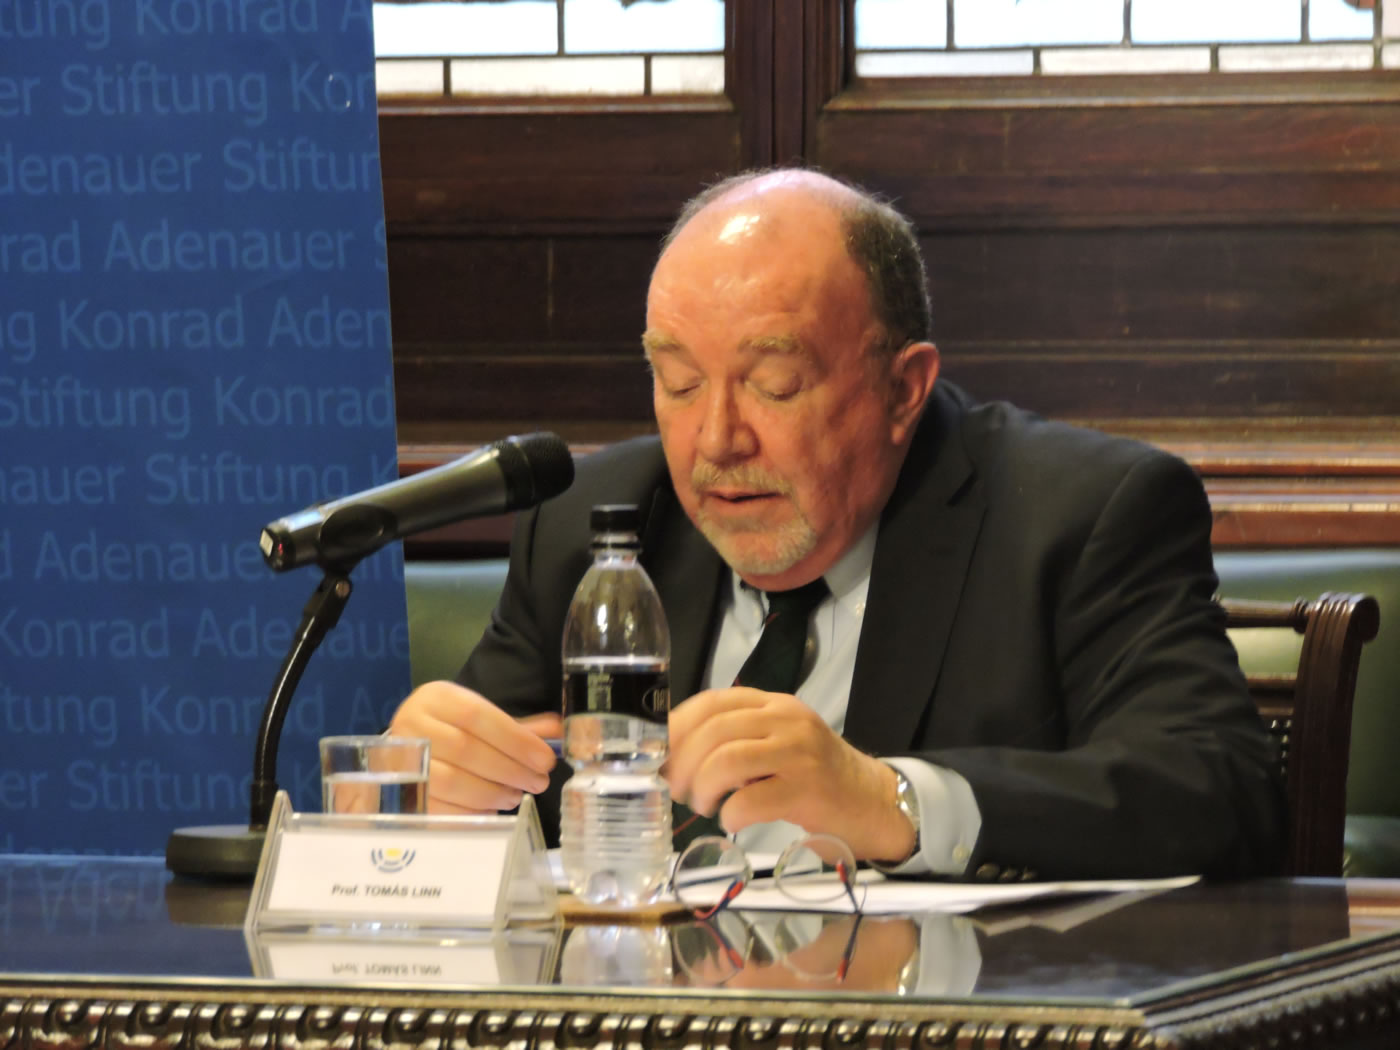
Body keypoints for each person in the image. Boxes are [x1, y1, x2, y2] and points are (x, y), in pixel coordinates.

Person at [390, 168, 1285, 880]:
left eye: (775, 386)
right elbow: (493, 805)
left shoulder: (1075, 516)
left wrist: (889, 799)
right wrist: (422, 794)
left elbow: (1220, 791)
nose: (717, 440)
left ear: (903, 390)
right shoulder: (590, 528)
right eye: (680, 383)